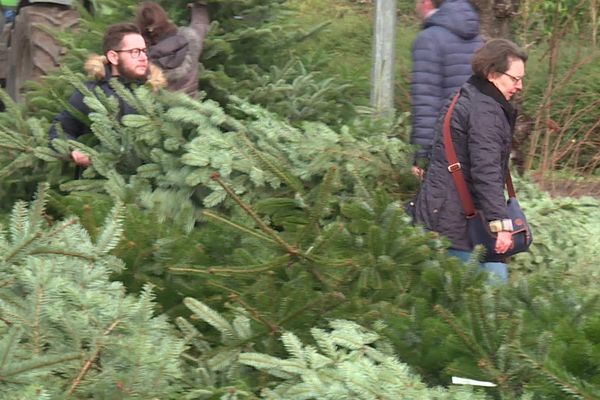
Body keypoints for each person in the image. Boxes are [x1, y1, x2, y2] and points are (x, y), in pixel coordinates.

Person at [412, 38, 528, 283]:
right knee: (484, 301)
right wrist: (501, 223)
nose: (519, 86)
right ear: (492, 74)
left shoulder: (467, 95)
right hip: (457, 222)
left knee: (487, 294)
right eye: (515, 79)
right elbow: (485, 171)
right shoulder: (485, 111)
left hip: (449, 213)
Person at [49, 22, 166, 168]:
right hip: (100, 184)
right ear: (113, 57)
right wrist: (73, 151)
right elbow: (60, 130)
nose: (143, 58)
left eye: (144, 51)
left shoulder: (154, 92)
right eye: (135, 52)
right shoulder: (89, 93)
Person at [410, 0, 483, 179]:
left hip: (444, 147)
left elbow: (425, 104)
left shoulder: (429, 40)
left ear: (426, 3)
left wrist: (422, 157)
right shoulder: (479, 39)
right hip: (478, 141)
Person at [135, 1, 210, 98]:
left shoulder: (141, 56)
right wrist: (200, 7)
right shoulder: (190, 39)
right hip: (192, 106)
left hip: (160, 109)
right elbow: (200, 25)